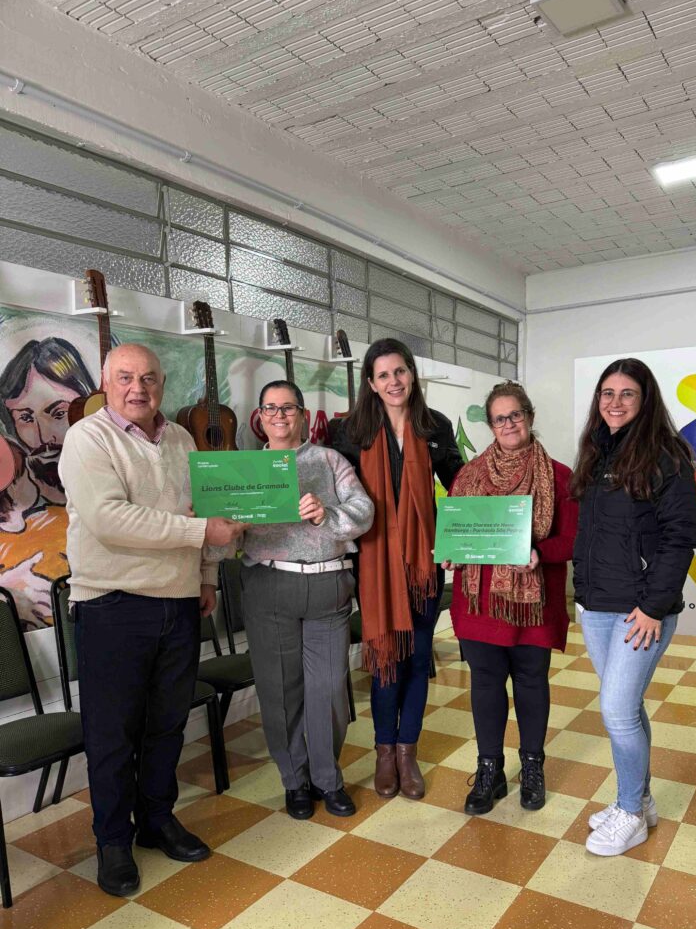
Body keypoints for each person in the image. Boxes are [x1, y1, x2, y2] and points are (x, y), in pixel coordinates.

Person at [59, 343, 244, 897]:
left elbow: (208, 510)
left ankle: (157, 819)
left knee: (167, 722)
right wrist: (196, 534)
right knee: (112, 734)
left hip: (180, 601)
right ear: (105, 383)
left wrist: (208, 576)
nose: (138, 388)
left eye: (149, 378)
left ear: (162, 384)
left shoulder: (184, 439)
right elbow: (109, 519)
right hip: (111, 605)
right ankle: (113, 840)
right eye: (125, 378)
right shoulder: (87, 438)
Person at [571, 357, 696, 856]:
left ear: (645, 400)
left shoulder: (666, 456)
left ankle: (629, 813)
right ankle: (639, 800)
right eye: (607, 393)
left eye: (627, 393)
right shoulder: (597, 452)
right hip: (598, 604)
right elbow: (591, 533)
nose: (615, 402)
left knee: (617, 711)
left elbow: (680, 536)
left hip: (640, 610)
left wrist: (651, 606)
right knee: (625, 709)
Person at [333, 338, 463, 799]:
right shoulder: (349, 432)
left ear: (412, 375)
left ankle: (408, 753)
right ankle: (383, 752)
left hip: (424, 565)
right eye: (384, 375)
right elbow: (335, 498)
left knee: (416, 658)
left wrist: (458, 540)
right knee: (386, 661)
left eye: (401, 372)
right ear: (371, 382)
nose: (394, 382)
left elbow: (460, 488)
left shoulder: (435, 426)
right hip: (374, 567)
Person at [239, 379, 374, 819]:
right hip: (269, 584)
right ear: (259, 417)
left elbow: (364, 511)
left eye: (288, 407)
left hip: (327, 586)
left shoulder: (330, 460)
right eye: (270, 408)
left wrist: (328, 514)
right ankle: (294, 781)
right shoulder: (243, 470)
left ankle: (327, 778)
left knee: (329, 689)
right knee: (280, 691)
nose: (279, 415)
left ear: (302, 414)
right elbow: (224, 529)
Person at [448, 381, 577, 814]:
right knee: (485, 684)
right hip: (480, 603)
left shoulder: (559, 476)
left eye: (515, 415)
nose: (508, 424)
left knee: (531, 682)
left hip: (533, 603)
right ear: (490, 424)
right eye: (500, 418)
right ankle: (490, 769)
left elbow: (574, 539)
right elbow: (454, 535)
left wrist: (541, 553)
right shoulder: (467, 476)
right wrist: (449, 555)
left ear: (530, 417)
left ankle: (533, 765)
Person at [0, 334, 96, 627]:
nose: (43, 437)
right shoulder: (10, 504)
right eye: (25, 418)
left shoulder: (115, 487)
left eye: (58, 414)